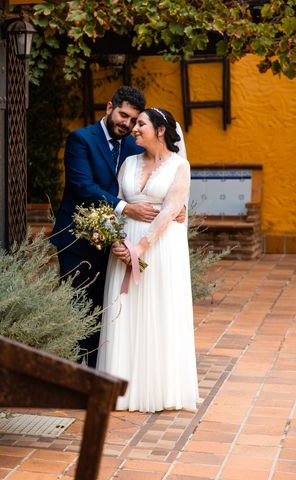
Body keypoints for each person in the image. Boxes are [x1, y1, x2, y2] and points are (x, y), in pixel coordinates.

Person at [97, 107, 199, 412]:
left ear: (160, 130)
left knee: (157, 310)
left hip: (159, 249)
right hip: (124, 246)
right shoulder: (128, 162)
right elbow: (115, 200)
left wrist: (140, 247)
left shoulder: (180, 166)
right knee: (124, 312)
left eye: (141, 124)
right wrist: (116, 240)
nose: (134, 128)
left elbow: (170, 210)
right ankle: (121, 387)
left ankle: (158, 389)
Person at [51, 86, 159, 368]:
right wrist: (127, 208)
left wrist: (173, 208)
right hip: (77, 239)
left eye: (134, 120)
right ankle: (74, 371)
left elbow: (150, 179)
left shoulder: (135, 146)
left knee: (106, 307)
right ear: (110, 107)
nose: (127, 123)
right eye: (123, 115)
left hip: (114, 242)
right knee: (77, 304)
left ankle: (98, 371)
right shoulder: (81, 139)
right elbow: (83, 186)